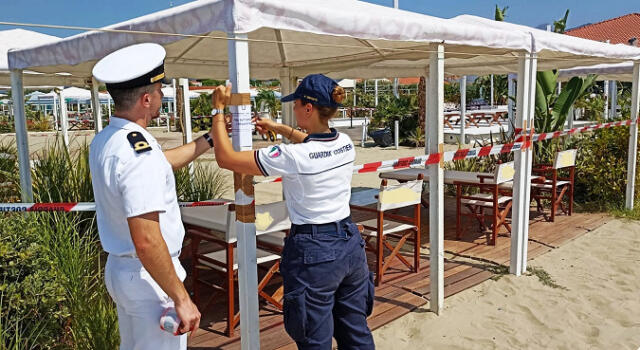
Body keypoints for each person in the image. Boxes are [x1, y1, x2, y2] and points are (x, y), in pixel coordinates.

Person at [210, 74, 375, 349]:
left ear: (308, 108)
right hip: (349, 245)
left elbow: (226, 158)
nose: (294, 109)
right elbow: (313, 142)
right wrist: (279, 128)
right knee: (355, 333)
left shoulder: (293, 157)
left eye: (296, 104)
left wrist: (217, 111)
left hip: (315, 251)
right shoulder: (345, 143)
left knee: (314, 339)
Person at [89, 43, 216, 349]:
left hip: (125, 271)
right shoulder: (138, 153)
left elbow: (163, 161)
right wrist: (181, 298)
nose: (162, 96)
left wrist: (210, 138)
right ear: (147, 99)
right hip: (149, 278)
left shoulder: (109, 140)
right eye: (159, 90)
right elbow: (146, 239)